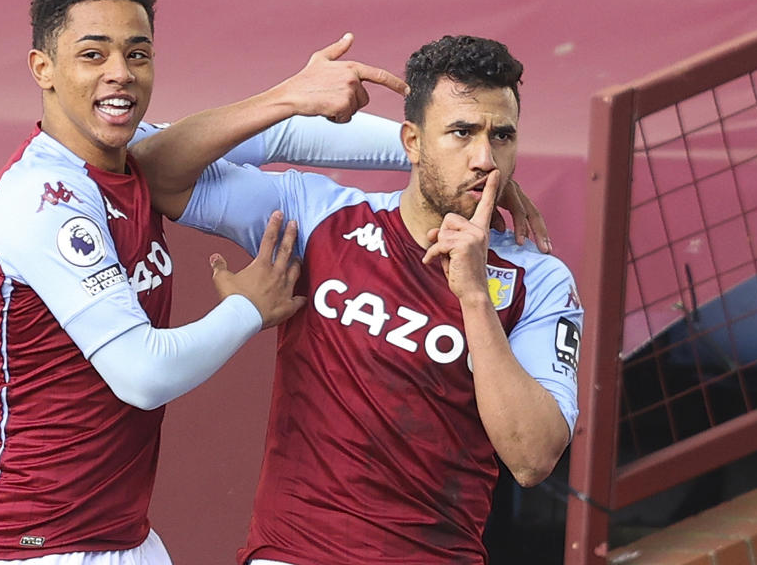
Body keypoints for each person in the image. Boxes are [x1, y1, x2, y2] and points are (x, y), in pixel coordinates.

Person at [0, 0, 548, 565]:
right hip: (28, 545)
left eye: (138, 53)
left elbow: (282, 139)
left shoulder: (129, 153)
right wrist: (246, 309)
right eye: (92, 55)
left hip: (123, 537)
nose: (119, 73)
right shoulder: (40, 197)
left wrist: (462, 160)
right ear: (42, 69)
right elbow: (141, 376)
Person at [147, 35, 582, 564]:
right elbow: (154, 168)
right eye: (461, 133)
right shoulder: (318, 214)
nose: (485, 159)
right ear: (412, 142)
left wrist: (473, 298)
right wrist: (287, 100)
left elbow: (533, 459)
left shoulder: (538, 278)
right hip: (291, 554)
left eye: (503, 136)